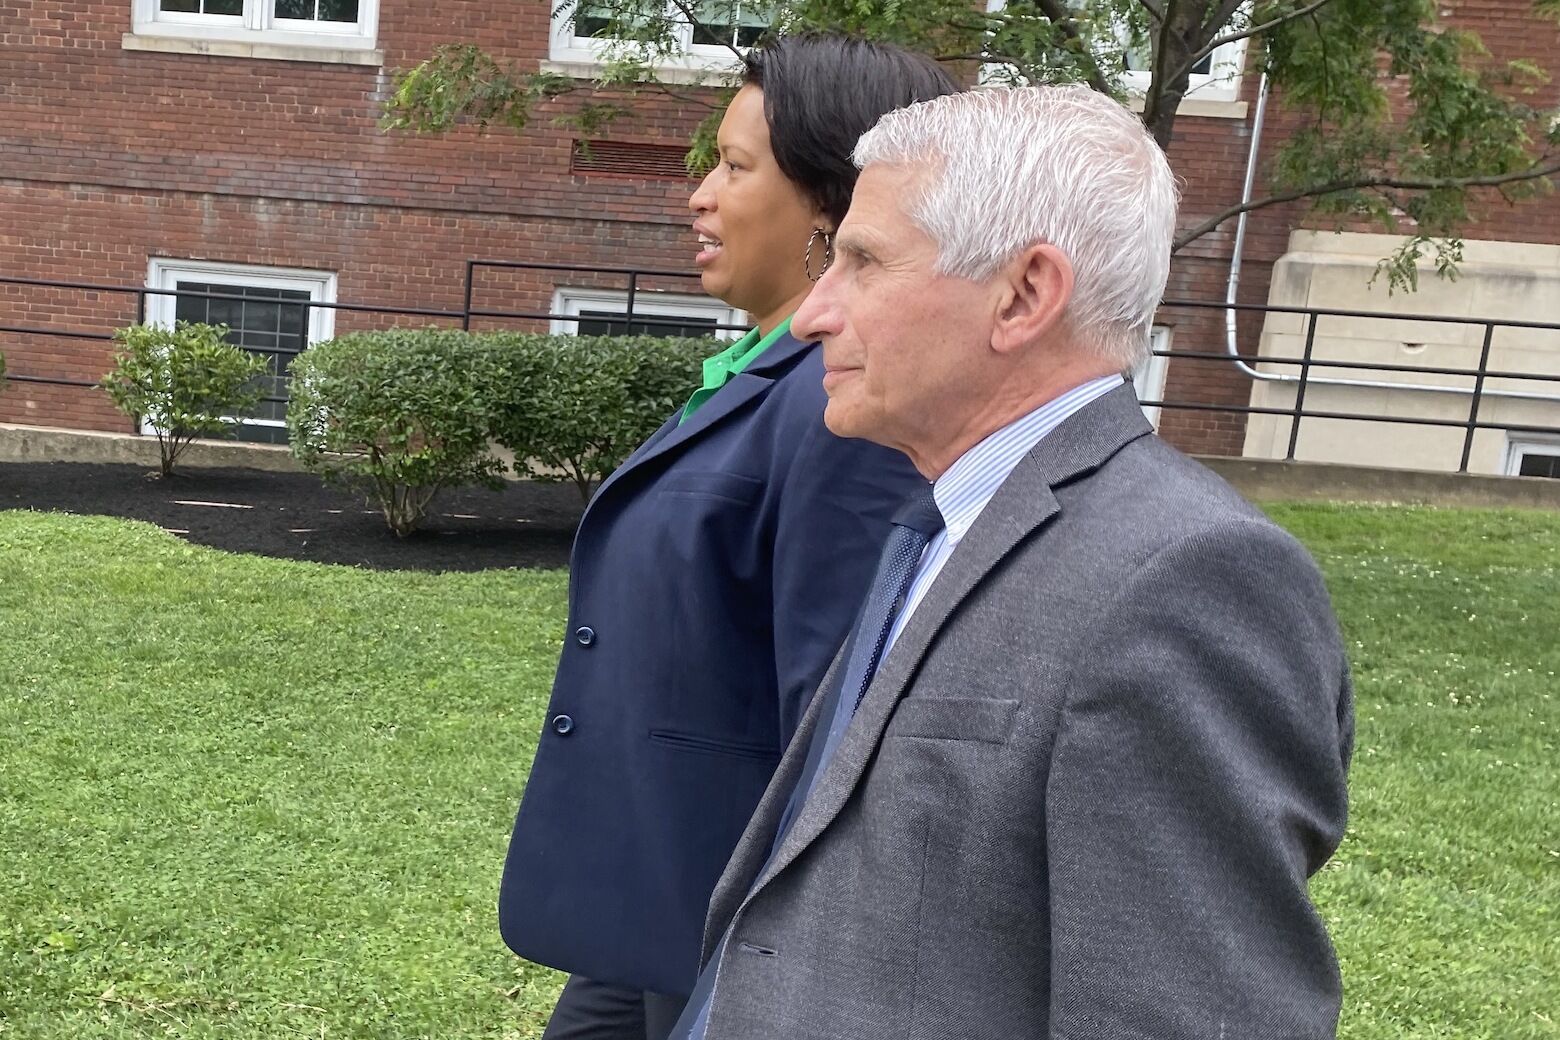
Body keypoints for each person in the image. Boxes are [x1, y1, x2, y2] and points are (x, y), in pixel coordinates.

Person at [671, 86, 1355, 1040]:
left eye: (863, 262)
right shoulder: (940, 521)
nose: (814, 312)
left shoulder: (1186, 579)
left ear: (1026, 295)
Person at [496, 35, 958, 1040]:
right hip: (654, 894)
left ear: (834, 208)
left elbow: (832, 723)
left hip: (734, 929)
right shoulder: (757, 373)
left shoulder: (840, 408)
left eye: (736, 167)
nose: (699, 197)